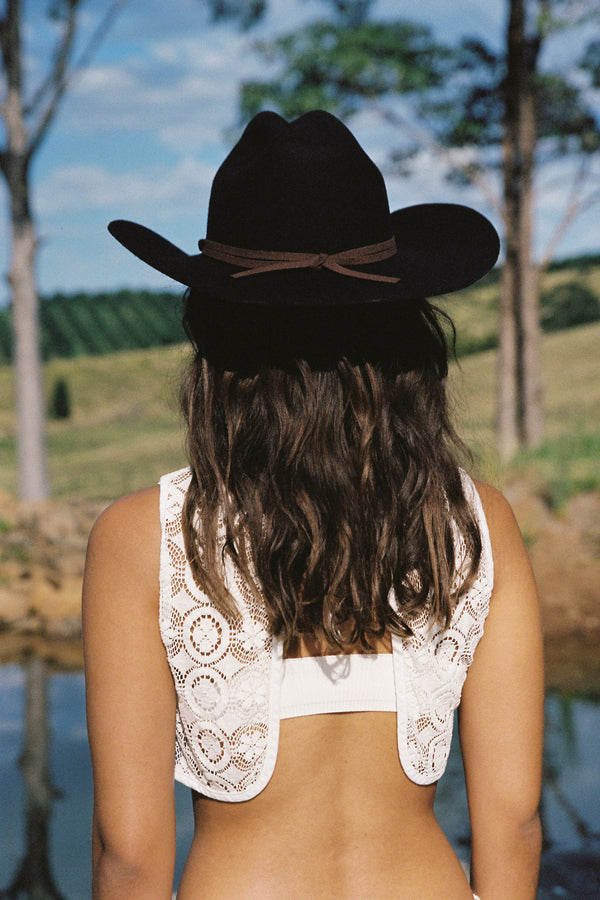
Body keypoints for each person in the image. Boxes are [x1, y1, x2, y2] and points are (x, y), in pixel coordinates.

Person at [83, 110, 544, 899]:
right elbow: (514, 821)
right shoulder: (474, 523)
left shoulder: (144, 538)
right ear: (403, 328)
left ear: (216, 337)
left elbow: (129, 856)